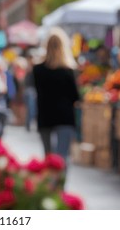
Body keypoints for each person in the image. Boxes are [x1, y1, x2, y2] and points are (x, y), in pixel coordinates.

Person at [33, 34, 80, 163]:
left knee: (48, 157)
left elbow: (38, 92)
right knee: (62, 157)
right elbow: (75, 96)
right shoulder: (68, 70)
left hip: (45, 115)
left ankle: (49, 183)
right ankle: (60, 182)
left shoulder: (38, 70)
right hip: (65, 116)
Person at [24, 55, 37, 131]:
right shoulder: (30, 69)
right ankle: (28, 124)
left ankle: (29, 124)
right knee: (31, 109)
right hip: (30, 91)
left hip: (30, 90)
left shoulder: (31, 69)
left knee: (31, 109)